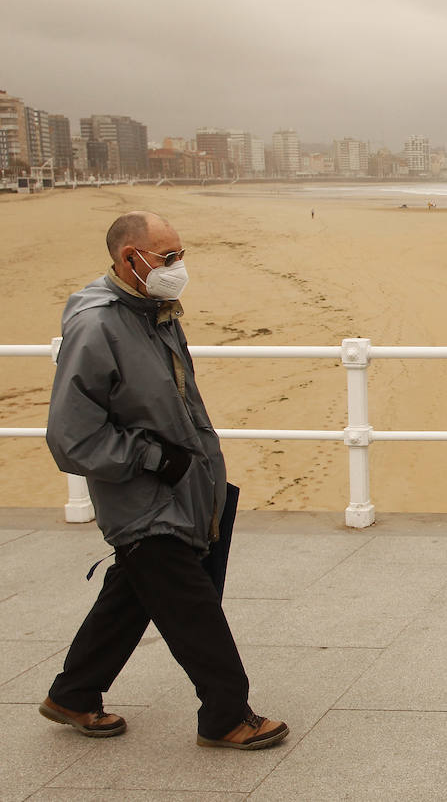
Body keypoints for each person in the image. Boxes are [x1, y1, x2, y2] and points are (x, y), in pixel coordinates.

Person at [40, 211, 288, 749]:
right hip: (144, 499)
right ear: (131, 259)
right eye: (167, 257)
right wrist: (153, 460)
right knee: (191, 606)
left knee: (132, 596)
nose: (177, 267)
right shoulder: (98, 325)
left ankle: (74, 693)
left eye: (181, 256)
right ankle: (226, 715)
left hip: (184, 488)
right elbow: (71, 437)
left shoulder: (154, 312)